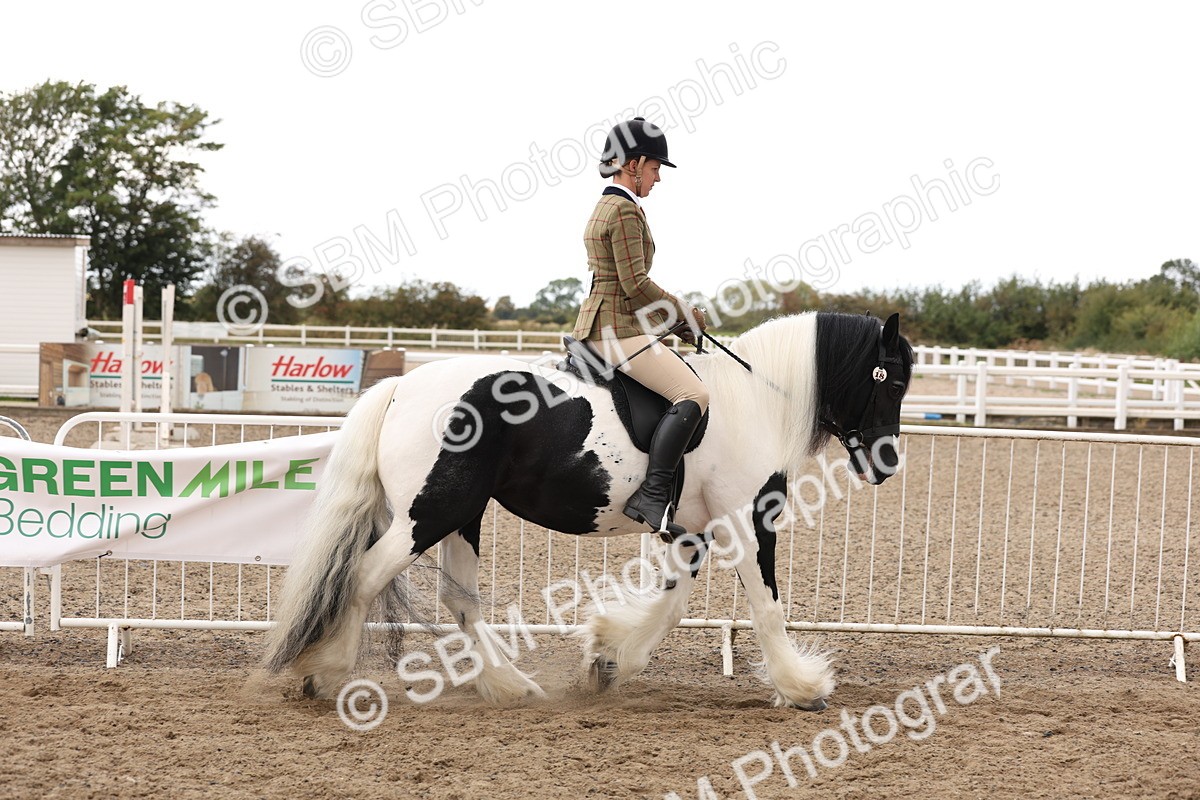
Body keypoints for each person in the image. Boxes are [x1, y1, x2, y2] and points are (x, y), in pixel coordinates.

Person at [572, 117, 709, 536]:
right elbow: (635, 284)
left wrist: (671, 323)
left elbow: (622, 286)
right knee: (694, 394)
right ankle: (652, 494)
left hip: (600, 323)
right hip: (614, 331)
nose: (657, 178)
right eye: (654, 168)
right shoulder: (626, 210)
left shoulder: (603, 206)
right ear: (633, 165)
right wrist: (684, 314)